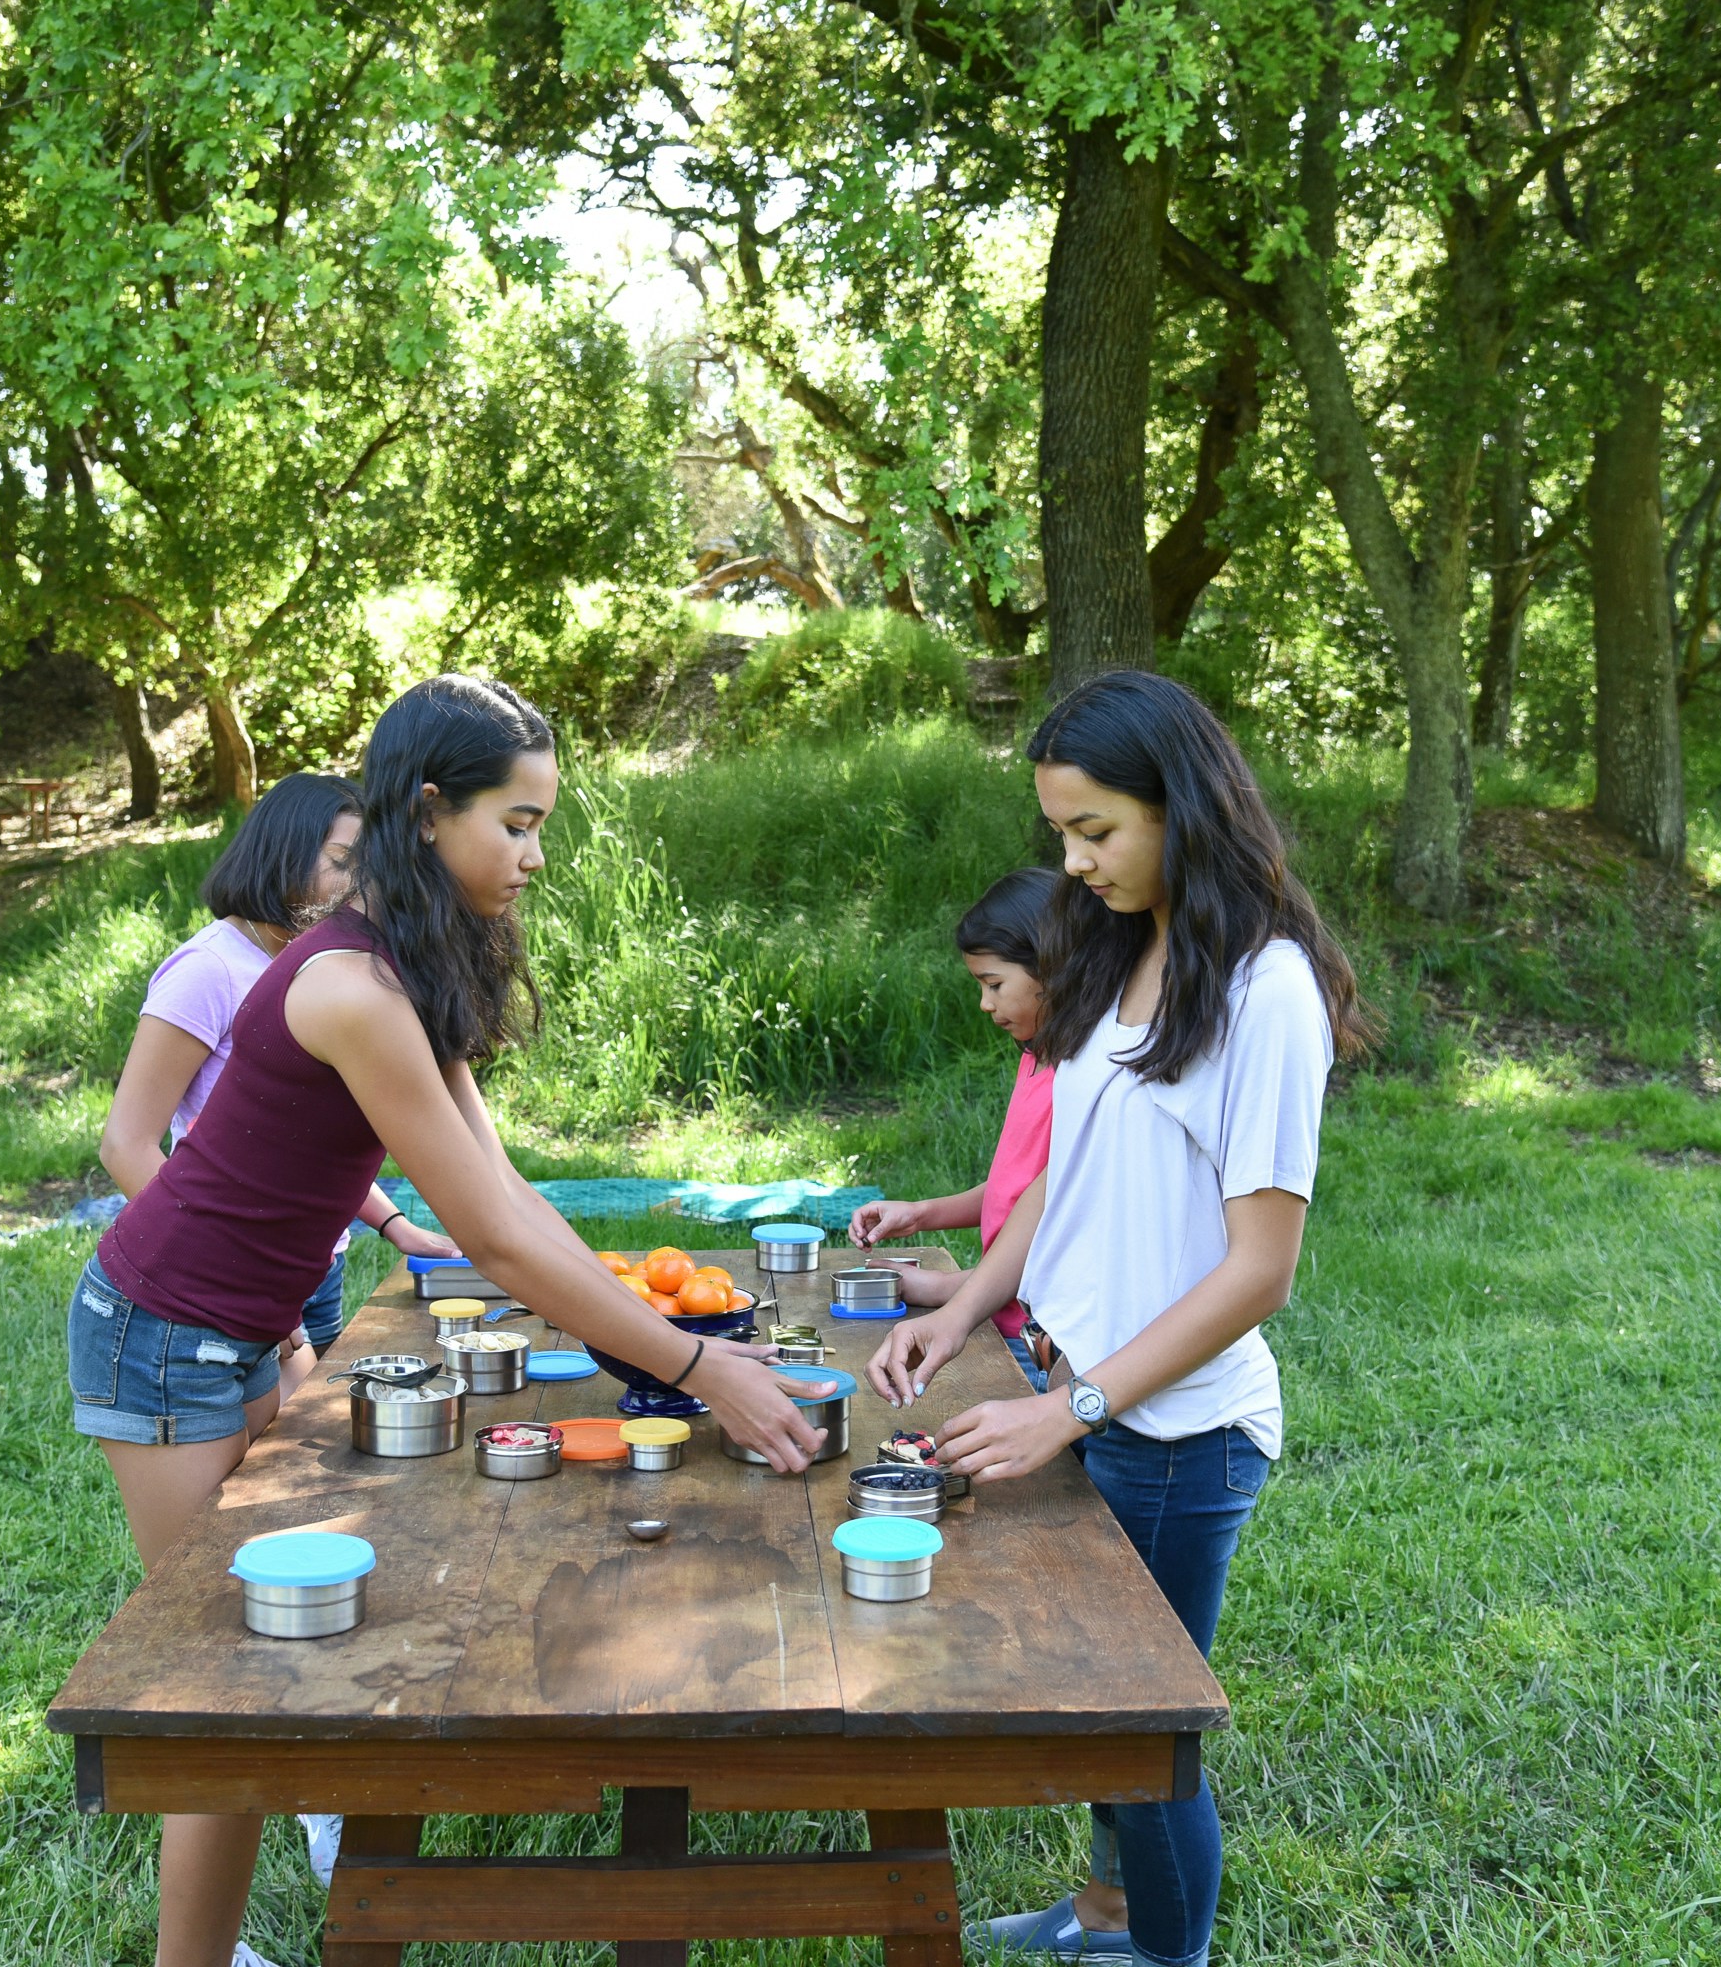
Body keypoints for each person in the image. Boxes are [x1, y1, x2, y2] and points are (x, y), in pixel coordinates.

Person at [68, 676, 827, 1967]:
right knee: (226, 1693)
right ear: (431, 812)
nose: (534, 857)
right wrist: (699, 1368)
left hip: (251, 1330)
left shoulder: (411, 964)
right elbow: (491, 1238)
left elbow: (507, 1193)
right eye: (517, 824)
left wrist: (647, 1318)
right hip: (162, 1335)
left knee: (291, 1656)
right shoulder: (353, 989)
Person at [866, 671, 1372, 1967]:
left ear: (1182, 808)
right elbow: (1060, 1184)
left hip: (1177, 1433)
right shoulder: (1115, 949)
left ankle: (1165, 1952)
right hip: (1076, 1393)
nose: (1075, 864)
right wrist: (967, 1306)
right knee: (1097, 1704)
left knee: (1145, 1740)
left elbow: (1261, 1271)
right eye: (1063, 837)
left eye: (1097, 832)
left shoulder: (1265, 993)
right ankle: (1101, 1915)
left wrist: (1072, 1409)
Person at [96, 771, 456, 1397]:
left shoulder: (324, 967)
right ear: (284, 853)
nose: (361, 885)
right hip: (234, 1278)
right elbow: (126, 1145)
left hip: (314, 1263)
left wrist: (395, 1225)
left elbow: (304, 1146)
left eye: (368, 866)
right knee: (260, 1481)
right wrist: (241, 1279)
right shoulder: (207, 970)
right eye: (342, 862)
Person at [845, 865, 1061, 1391]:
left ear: (1055, 966)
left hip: (1039, 1344)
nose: (986, 1004)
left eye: (994, 984)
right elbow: (1021, 1191)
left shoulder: (1080, 1082)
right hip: (1002, 1320)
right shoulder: (1036, 1059)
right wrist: (921, 1214)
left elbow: (1051, 1238)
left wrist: (943, 1288)